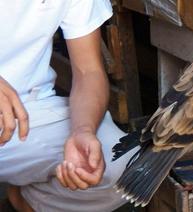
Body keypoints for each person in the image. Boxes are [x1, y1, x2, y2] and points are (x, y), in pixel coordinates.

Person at [0, 1, 139, 211]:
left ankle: (26, 202)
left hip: (29, 112)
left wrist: (83, 129)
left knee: (125, 169)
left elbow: (88, 71)